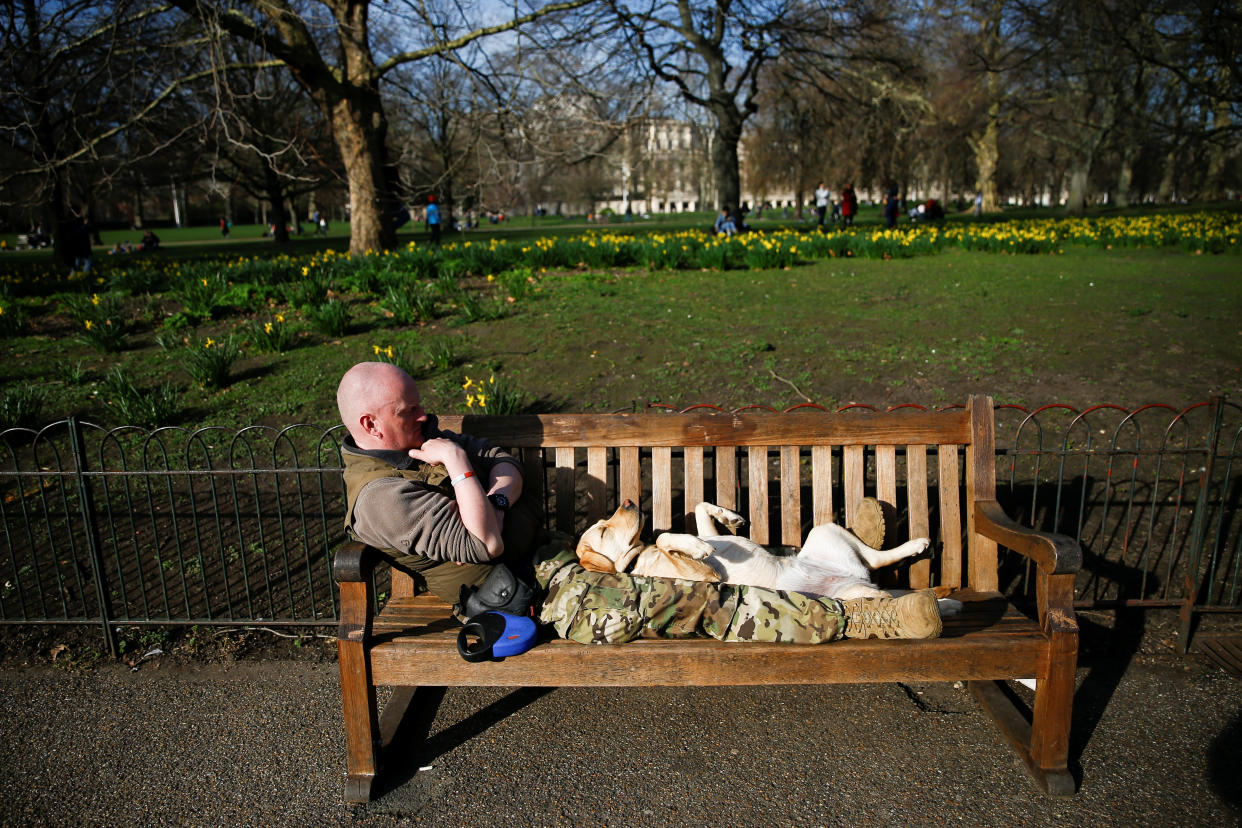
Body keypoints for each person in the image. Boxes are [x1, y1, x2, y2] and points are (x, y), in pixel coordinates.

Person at [336, 362, 542, 605]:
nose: (422, 415)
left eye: (419, 404)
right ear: (371, 425)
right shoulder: (381, 497)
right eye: (408, 410)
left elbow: (503, 460)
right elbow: (487, 544)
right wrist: (456, 460)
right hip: (519, 594)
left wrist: (496, 504)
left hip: (546, 557)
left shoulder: (424, 439)